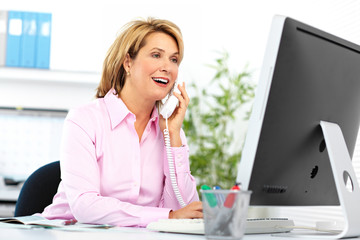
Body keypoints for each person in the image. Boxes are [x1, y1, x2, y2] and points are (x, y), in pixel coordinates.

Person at [41, 17, 202, 227]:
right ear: (128, 62)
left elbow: (185, 211)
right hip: (67, 232)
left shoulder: (170, 130)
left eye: (174, 59)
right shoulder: (85, 120)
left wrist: (173, 139)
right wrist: (168, 216)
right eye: (156, 55)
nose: (167, 67)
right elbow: (85, 206)